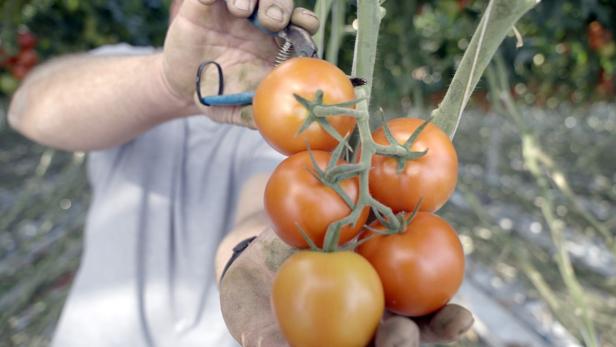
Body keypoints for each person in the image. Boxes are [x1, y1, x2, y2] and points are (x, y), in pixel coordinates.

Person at [8, 0, 474, 346]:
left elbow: (272, 215)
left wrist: (259, 259)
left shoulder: (309, 124)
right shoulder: (124, 66)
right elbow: (32, 108)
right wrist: (173, 85)